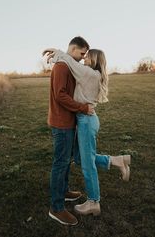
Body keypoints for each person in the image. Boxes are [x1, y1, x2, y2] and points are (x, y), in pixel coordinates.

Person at [43, 47, 131, 217]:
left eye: (87, 56)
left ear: (95, 59)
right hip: (85, 119)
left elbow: (70, 62)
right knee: (79, 158)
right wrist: (59, 55)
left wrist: (58, 52)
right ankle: (117, 160)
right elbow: (70, 63)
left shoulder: (90, 74)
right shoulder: (91, 73)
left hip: (86, 121)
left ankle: (93, 202)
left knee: (87, 164)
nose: (84, 59)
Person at [43, 36, 95, 226]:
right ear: (73, 49)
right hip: (62, 122)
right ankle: (56, 208)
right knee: (60, 162)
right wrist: (83, 108)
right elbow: (60, 95)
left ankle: (63, 192)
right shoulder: (62, 66)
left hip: (67, 121)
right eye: (81, 53)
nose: (82, 58)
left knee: (65, 161)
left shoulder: (67, 63)